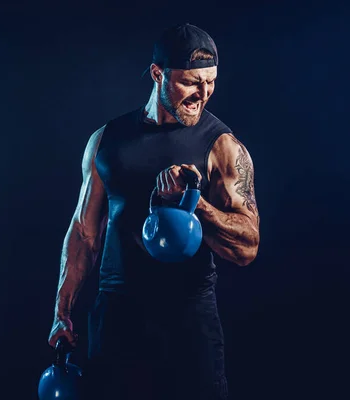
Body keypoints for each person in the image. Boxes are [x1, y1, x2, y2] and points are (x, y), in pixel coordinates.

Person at [47, 23, 260, 400]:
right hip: (116, 318)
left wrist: (196, 201)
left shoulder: (222, 146)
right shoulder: (107, 140)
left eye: (210, 82)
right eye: (192, 82)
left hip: (189, 323)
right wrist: (62, 311)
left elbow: (247, 248)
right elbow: (84, 233)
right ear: (158, 74)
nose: (203, 94)